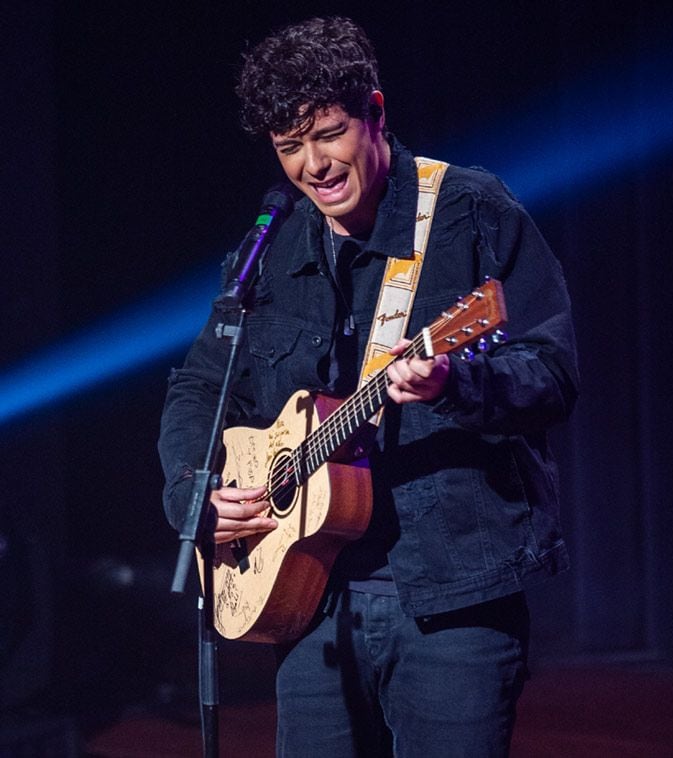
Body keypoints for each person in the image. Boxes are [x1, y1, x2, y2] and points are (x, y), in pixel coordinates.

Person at [158, 16, 578, 757]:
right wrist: (198, 486)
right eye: (290, 147)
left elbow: (552, 374)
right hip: (309, 599)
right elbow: (200, 386)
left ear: (375, 114)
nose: (313, 165)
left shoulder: (469, 212)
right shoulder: (270, 250)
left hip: (452, 601)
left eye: (328, 134)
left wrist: (455, 380)